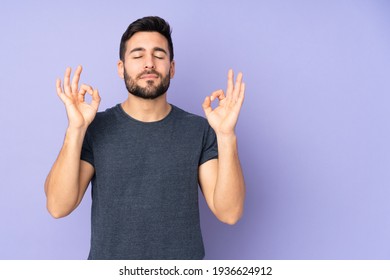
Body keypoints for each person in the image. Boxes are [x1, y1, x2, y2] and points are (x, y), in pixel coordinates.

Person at [45, 16, 245, 260]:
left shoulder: (199, 130)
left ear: (171, 67)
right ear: (121, 68)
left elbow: (230, 212)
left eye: (159, 55)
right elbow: (57, 206)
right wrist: (75, 129)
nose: (149, 64)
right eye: (138, 56)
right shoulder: (94, 129)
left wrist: (226, 136)